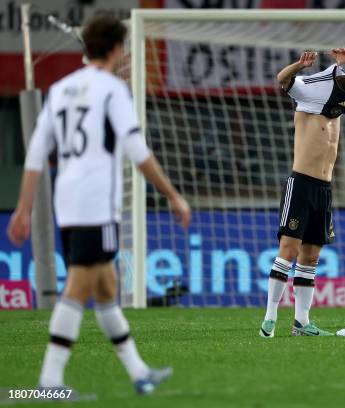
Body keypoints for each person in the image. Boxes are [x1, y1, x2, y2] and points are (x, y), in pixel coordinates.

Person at [7, 14, 191, 394]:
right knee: (78, 288)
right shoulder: (111, 90)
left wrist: (24, 207)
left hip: (67, 202)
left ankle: (139, 372)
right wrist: (173, 195)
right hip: (95, 205)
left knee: (107, 286)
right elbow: (138, 152)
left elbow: (36, 154)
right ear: (117, 49)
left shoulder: (60, 88)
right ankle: (48, 383)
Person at [259, 49, 345, 337]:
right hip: (301, 184)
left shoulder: (338, 103)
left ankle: (302, 323)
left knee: (311, 257)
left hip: (324, 188)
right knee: (288, 251)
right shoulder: (308, 98)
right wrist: (300, 65)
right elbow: (283, 79)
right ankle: (270, 318)